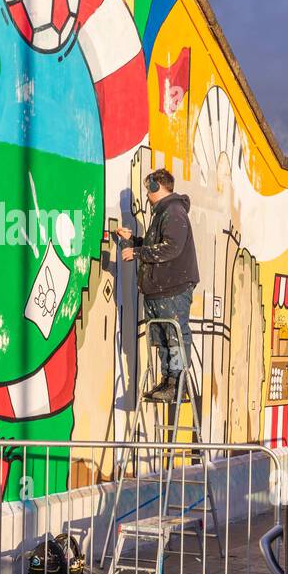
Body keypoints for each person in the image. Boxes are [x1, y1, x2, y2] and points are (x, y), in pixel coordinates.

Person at [115, 168, 199, 403]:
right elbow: (160, 246)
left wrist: (138, 251)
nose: (147, 193)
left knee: (174, 336)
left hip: (173, 289)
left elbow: (171, 248)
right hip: (160, 290)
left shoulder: (173, 212)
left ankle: (177, 384)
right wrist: (131, 241)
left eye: (148, 188)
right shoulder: (163, 214)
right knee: (163, 338)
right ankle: (168, 381)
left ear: (155, 186)